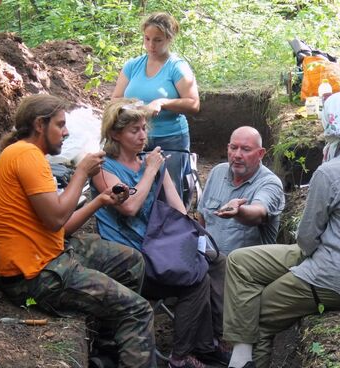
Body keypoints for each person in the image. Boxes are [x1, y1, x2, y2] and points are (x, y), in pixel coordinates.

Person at [223, 92, 340, 368]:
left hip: (335, 278)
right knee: (239, 261)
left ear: (328, 126)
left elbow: (307, 239)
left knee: (257, 316)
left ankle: (240, 362)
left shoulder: (328, 172)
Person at [0, 94, 156, 368]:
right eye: (60, 125)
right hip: (33, 276)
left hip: (48, 255)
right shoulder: (27, 156)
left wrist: (100, 200)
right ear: (40, 125)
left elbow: (60, 228)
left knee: (131, 261)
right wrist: (81, 173)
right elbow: (55, 219)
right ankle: (124, 342)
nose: (66, 133)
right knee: (137, 310)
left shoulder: (28, 154)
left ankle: (108, 347)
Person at [92, 99, 229, 368]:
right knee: (195, 278)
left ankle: (211, 343)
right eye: (134, 131)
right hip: (130, 256)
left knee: (214, 260)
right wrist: (151, 170)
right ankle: (182, 356)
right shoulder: (102, 169)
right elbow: (129, 206)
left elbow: (178, 208)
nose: (143, 136)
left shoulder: (151, 161)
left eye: (144, 128)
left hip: (157, 244)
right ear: (114, 134)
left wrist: (192, 238)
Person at [111, 12, 199, 206]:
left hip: (170, 138)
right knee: (138, 191)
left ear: (169, 38)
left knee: (170, 194)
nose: (151, 45)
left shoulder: (177, 67)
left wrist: (162, 102)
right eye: (147, 39)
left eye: (158, 40)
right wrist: (136, 107)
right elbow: (115, 99)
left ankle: (174, 231)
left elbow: (193, 104)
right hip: (135, 139)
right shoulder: (133, 66)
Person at [198, 126, 285, 255]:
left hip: (243, 271)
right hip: (209, 263)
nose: (237, 155)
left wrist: (239, 211)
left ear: (260, 153)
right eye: (233, 148)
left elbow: (259, 212)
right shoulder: (217, 172)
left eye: (246, 149)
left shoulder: (270, 183)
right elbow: (202, 217)